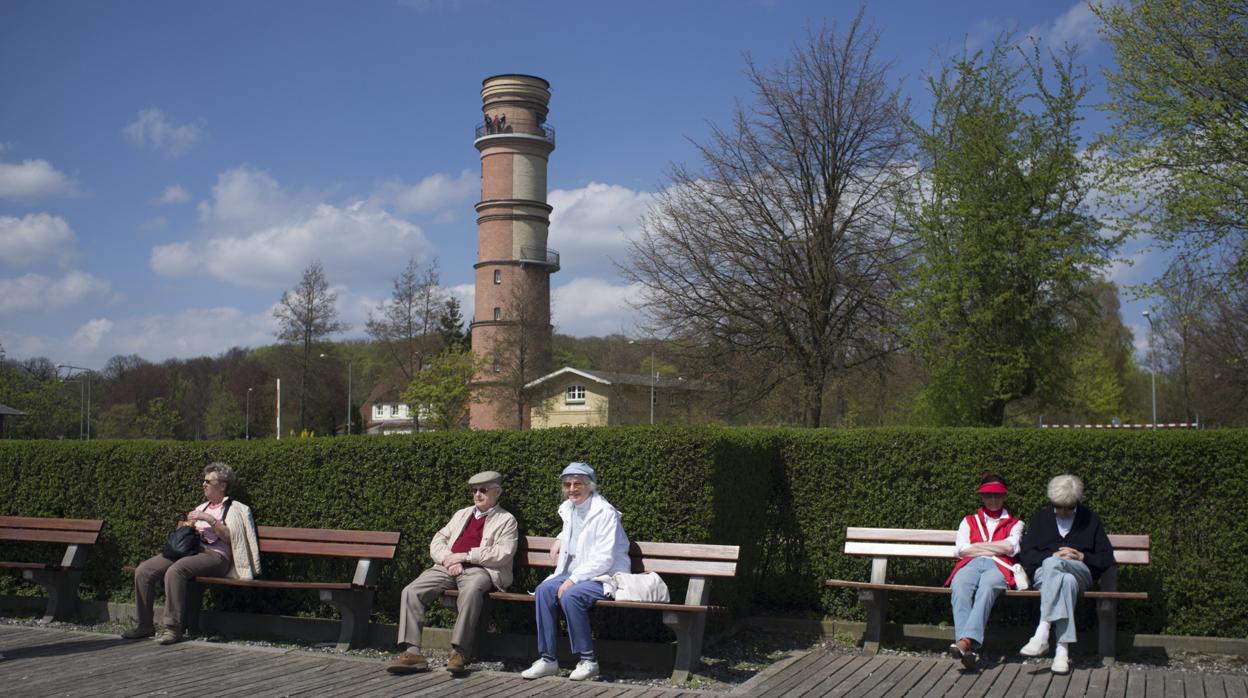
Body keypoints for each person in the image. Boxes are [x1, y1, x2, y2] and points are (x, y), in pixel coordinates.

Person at [387, 471, 518, 676]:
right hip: (448, 566)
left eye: (483, 490)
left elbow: (502, 553)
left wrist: (464, 557)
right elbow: (438, 539)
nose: (477, 494)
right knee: (412, 590)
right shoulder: (461, 514)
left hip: (480, 570)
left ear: (497, 492)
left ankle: (460, 652)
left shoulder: (506, 520)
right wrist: (449, 558)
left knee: (472, 590)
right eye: (474, 490)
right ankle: (412, 653)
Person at [122, 462, 261, 644]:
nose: (203, 484)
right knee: (144, 570)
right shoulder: (201, 506)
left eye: (207, 481)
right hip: (190, 552)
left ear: (222, 486)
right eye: (203, 481)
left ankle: (173, 628)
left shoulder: (233, 508)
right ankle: (144, 625)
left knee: (176, 571)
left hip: (215, 556)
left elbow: (230, 538)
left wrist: (210, 520)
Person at [521, 462, 630, 682]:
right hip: (574, 572)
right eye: (567, 484)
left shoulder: (605, 513)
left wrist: (572, 580)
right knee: (543, 590)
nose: (572, 489)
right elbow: (576, 530)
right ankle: (548, 659)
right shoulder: (569, 508)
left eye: (577, 484)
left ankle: (588, 661)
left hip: (603, 575)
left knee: (571, 596)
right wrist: (560, 539)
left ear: (590, 486)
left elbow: (604, 558)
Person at [1018, 474, 1115, 675]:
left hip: (1080, 572)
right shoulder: (1040, 519)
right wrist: (1052, 555)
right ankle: (1062, 652)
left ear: (1076, 503)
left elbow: (1106, 558)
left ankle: (1042, 631)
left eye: (1069, 507)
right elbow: (1026, 555)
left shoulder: (1091, 519)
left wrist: (1082, 556)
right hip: (1047, 576)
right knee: (1065, 581)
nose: (1063, 511)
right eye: (1058, 506)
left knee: (1061, 569)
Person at [945, 473, 1025, 670]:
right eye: (988, 495)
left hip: (999, 566)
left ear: (1004, 496)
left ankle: (964, 642)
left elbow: (1010, 548)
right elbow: (961, 550)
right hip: (969, 564)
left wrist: (978, 546)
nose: (993, 499)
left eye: (997, 495)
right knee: (960, 586)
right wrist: (994, 546)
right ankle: (967, 649)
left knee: (987, 587)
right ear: (982, 497)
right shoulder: (968, 520)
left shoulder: (1016, 523)